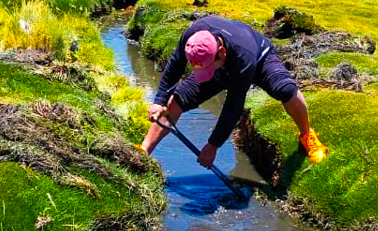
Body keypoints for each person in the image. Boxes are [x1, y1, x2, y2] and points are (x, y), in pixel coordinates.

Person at [141, 15, 328, 167]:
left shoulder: (243, 56)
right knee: (176, 101)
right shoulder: (193, 38)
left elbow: (234, 105)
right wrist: (159, 100)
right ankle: (143, 150)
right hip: (222, 65)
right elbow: (175, 65)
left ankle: (306, 135)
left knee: (286, 90)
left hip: (259, 58)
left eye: (208, 69)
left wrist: (213, 145)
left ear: (221, 51)